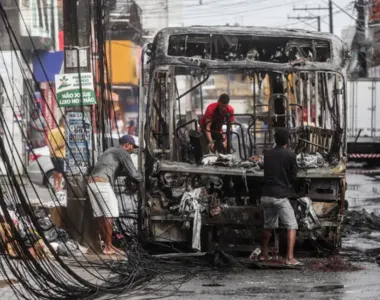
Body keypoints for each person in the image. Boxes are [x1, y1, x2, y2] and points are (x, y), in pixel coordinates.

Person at [87, 135, 142, 255]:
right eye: (132, 147)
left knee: (100, 215)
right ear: (127, 144)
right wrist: (143, 178)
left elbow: (115, 169)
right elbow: (133, 173)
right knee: (110, 214)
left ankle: (102, 243)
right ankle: (108, 246)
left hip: (91, 183)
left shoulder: (109, 151)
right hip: (102, 183)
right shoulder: (123, 152)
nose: (132, 150)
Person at [260, 128, 303, 266]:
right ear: (288, 140)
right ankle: (289, 258)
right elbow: (294, 176)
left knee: (268, 226)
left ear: (275, 139)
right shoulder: (290, 155)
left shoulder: (267, 154)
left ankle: (264, 254)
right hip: (280, 197)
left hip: (266, 196)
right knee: (292, 226)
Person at [47, 116, 66, 191]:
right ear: (63, 123)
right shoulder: (64, 131)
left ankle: (54, 185)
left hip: (52, 155)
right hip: (61, 155)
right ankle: (59, 186)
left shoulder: (52, 131)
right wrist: (56, 148)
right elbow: (63, 144)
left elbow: (48, 142)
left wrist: (52, 151)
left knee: (55, 170)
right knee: (60, 171)